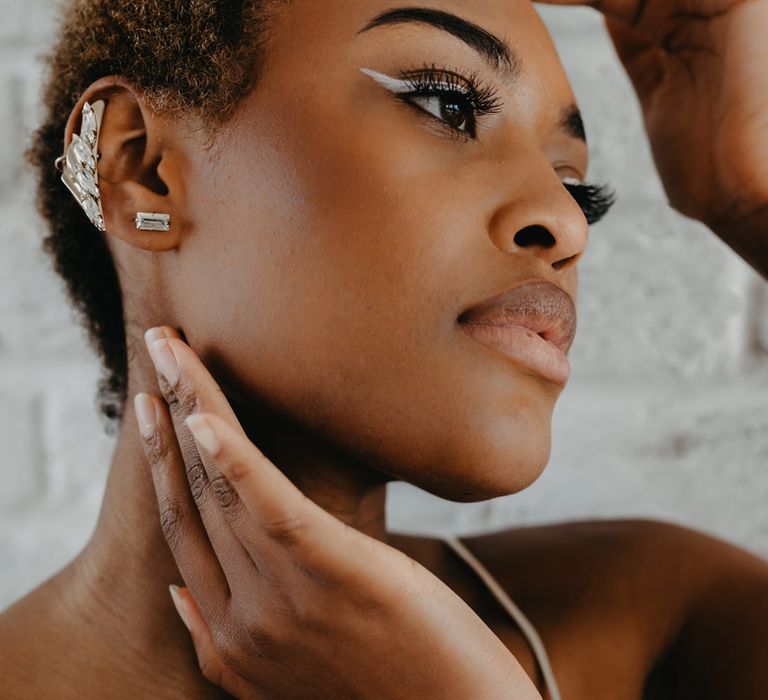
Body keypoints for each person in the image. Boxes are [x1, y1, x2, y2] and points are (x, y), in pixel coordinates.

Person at [1, 0, 767, 697]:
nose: (565, 224)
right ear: (140, 170)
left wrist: (751, 198)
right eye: (448, 106)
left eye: (574, 182)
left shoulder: (669, 622)